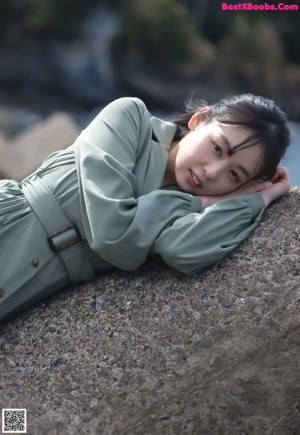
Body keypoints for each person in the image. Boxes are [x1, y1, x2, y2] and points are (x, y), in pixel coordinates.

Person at [0, 93, 291, 322]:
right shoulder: (130, 118)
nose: (212, 172)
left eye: (234, 175)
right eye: (217, 148)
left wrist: (259, 199)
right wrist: (199, 202)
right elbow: (111, 235)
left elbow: (183, 250)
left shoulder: (192, 211)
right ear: (199, 120)